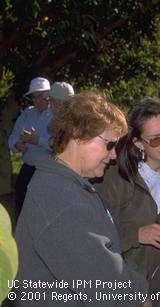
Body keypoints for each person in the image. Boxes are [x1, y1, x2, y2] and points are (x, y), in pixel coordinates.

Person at [14, 92, 149, 306]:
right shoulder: (62, 200)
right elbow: (107, 289)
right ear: (78, 134)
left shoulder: (69, 184)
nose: (114, 155)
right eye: (110, 145)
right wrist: (140, 296)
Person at [95, 97, 160, 307]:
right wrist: (136, 235)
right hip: (118, 288)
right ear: (138, 143)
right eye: (156, 139)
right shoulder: (114, 178)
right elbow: (94, 236)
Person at [8, 77, 52, 220]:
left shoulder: (56, 115)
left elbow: (59, 144)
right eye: (34, 97)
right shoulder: (27, 113)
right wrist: (17, 144)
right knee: (21, 206)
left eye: (40, 96)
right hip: (28, 168)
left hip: (48, 170)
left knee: (43, 212)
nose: (37, 100)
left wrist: (37, 140)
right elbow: (13, 137)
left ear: (48, 95)